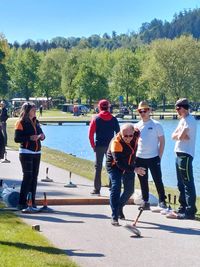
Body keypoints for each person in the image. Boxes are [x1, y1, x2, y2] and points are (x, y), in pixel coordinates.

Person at [106, 123, 146, 225]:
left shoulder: (136, 133)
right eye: (125, 136)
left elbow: (140, 126)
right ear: (121, 133)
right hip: (115, 166)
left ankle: (119, 208)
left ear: (134, 133)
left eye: (130, 135)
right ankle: (114, 216)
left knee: (129, 190)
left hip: (130, 165)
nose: (128, 138)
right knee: (116, 187)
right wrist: (135, 169)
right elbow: (119, 163)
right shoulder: (116, 143)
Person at [169, 98, 197, 220]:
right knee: (180, 183)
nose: (177, 111)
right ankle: (182, 207)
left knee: (187, 183)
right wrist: (181, 135)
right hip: (178, 154)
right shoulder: (183, 120)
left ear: (184, 108)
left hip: (185, 154)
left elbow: (180, 136)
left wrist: (181, 135)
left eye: (178, 108)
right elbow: (173, 136)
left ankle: (190, 211)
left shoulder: (190, 120)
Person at [135, 101, 166, 210]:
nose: (142, 113)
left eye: (145, 110)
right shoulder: (137, 126)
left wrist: (159, 157)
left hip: (153, 158)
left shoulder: (156, 125)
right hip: (140, 158)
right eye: (140, 111)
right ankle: (145, 201)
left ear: (149, 111)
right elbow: (134, 143)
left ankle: (162, 201)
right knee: (143, 181)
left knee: (158, 180)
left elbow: (162, 141)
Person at [14, 102, 45, 210]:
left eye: (35, 109)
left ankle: (32, 202)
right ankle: (22, 203)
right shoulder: (20, 122)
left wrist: (42, 136)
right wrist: (30, 138)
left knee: (34, 178)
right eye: (33, 110)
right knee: (28, 177)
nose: (35, 111)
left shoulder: (36, 121)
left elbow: (41, 134)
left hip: (37, 152)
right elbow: (17, 139)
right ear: (27, 111)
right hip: (26, 152)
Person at [89, 99, 120, 195]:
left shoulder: (96, 119)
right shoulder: (113, 119)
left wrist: (93, 146)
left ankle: (96, 189)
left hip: (99, 146)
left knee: (98, 167)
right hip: (111, 147)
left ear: (99, 107)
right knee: (112, 166)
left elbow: (90, 135)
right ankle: (112, 187)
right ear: (108, 107)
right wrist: (117, 146)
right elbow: (119, 134)